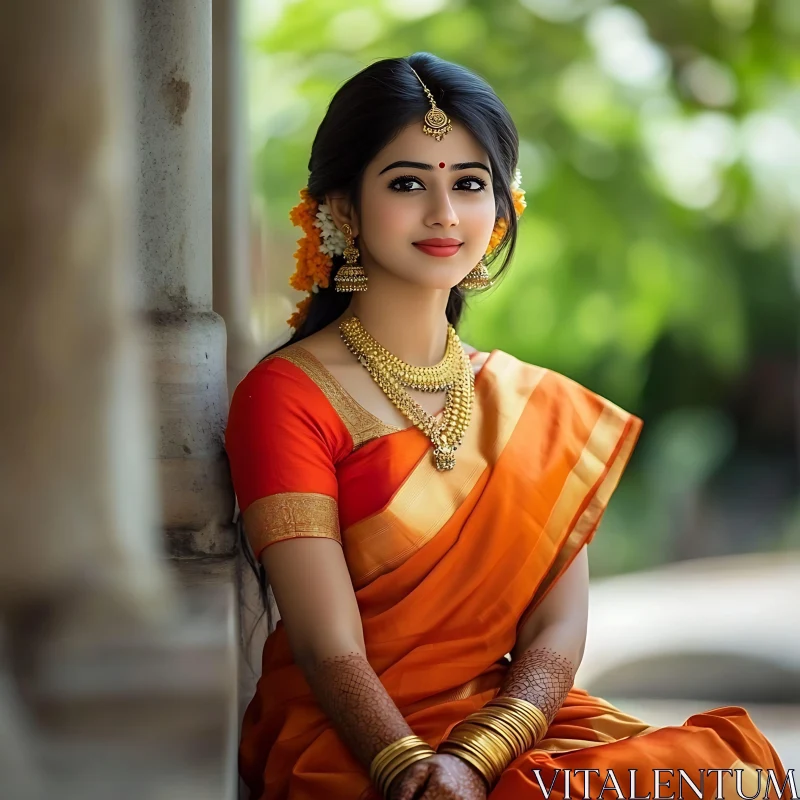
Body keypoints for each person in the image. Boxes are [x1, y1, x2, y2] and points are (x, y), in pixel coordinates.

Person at [225, 53, 787, 800]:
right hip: (352, 738)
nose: (444, 214)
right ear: (343, 209)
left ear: (502, 205)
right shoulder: (287, 396)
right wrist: (409, 767)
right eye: (406, 183)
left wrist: (477, 757)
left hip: (508, 731)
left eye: (469, 183)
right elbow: (329, 648)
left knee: (732, 774)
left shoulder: (537, 404)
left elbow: (557, 635)